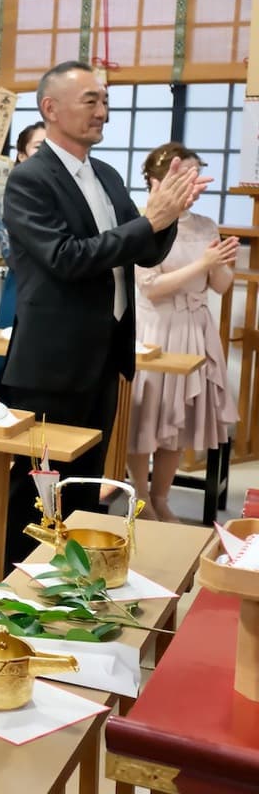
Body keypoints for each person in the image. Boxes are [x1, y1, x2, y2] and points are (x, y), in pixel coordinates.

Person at [1, 60, 207, 567]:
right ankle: (18, 594)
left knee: (84, 489)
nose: (103, 112)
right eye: (90, 100)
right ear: (50, 109)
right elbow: (66, 259)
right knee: (38, 492)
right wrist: (149, 221)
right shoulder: (31, 180)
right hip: (52, 363)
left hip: (104, 354)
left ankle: (71, 586)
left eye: (105, 101)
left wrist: (166, 218)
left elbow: (144, 252)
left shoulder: (107, 175)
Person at [127, 143, 237, 522]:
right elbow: (151, 286)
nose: (195, 184)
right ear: (158, 181)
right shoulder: (144, 221)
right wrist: (203, 263)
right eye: (185, 175)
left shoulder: (206, 225)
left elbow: (220, 286)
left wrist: (220, 264)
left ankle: (161, 498)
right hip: (155, 328)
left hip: (195, 328)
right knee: (145, 419)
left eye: (197, 175)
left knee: (177, 422)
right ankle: (139, 498)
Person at [0, 121, 47, 394]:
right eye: (38, 147)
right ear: (22, 155)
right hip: (21, 284)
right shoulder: (11, 192)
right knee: (8, 359)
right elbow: (10, 252)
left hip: (60, 292)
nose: (46, 152)